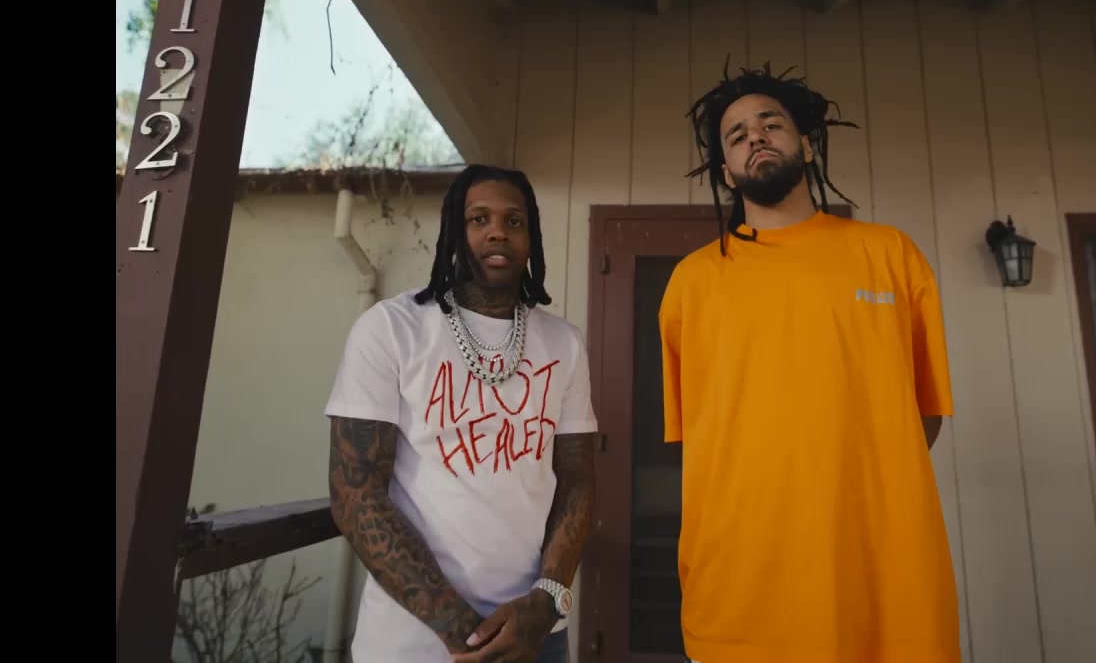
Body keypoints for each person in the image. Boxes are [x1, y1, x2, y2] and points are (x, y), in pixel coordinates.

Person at [659, 63, 960, 663]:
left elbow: (922, 418)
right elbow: (702, 441)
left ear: (807, 146)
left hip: (885, 585)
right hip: (740, 591)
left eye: (771, 123)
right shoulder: (691, 283)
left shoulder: (891, 255)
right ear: (727, 172)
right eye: (737, 134)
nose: (756, 135)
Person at [325, 164, 597, 663]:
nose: (498, 231)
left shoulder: (565, 344)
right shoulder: (393, 328)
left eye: (514, 221)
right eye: (479, 218)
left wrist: (547, 602)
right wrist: (463, 630)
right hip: (414, 640)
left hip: (535, 635)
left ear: (532, 238)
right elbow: (356, 493)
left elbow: (577, 480)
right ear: (455, 229)